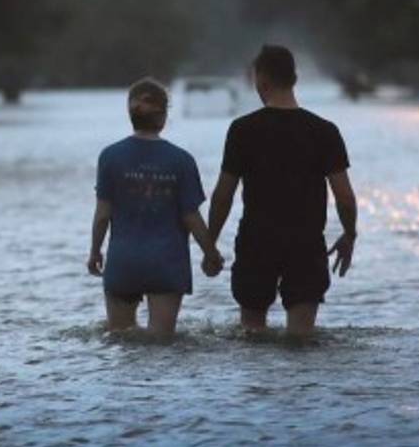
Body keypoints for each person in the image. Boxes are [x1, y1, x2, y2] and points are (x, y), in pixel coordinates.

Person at [207, 45, 358, 337]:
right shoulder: (324, 131)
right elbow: (345, 197)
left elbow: (222, 195)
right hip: (306, 244)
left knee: (251, 336)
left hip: (256, 242)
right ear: (294, 79)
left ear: (261, 82)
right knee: (301, 340)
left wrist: (210, 243)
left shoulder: (242, 130)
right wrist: (349, 234)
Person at [87, 77, 224, 337]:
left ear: (131, 114)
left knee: (121, 338)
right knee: (161, 341)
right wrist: (211, 252)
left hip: (123, 261)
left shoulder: (110, 156)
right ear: (163, 116)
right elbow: (191, 217)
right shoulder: (182, 160)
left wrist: (95, 252)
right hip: (167, 263)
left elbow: (103, 214)